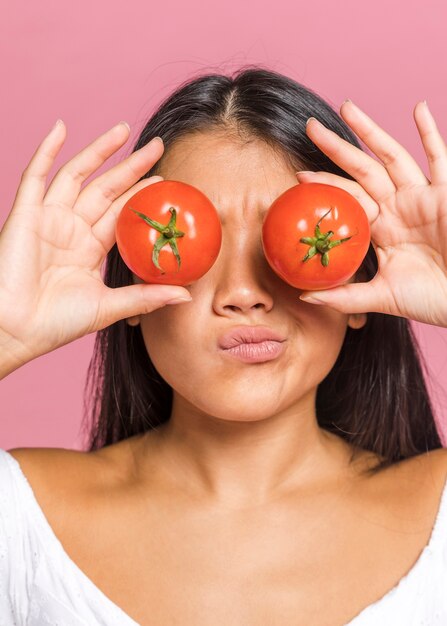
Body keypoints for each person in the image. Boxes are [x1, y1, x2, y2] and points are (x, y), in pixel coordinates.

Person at [1, 66, 446, 625]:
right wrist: (4, 334)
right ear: (132, 287)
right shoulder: (18, 519)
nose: (243, 293)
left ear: (359, 289)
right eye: (185, 242)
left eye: (296, 241)